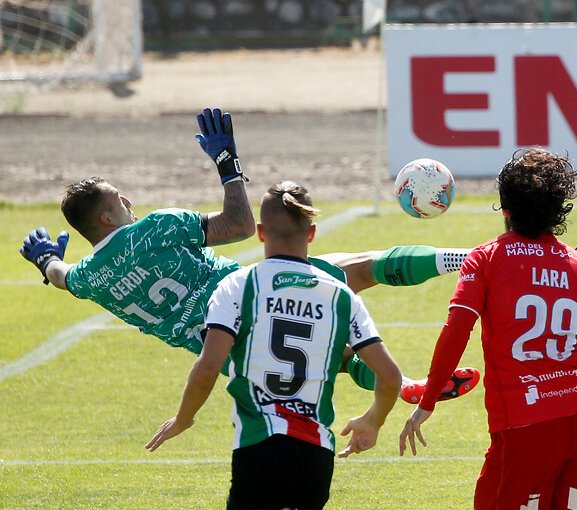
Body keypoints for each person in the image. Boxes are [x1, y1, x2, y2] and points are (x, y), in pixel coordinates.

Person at [19, 107, 477, 403]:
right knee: (350, 268)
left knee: (332, 358)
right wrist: (227, 163)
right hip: (244, 297)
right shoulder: (152, 230)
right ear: (104, 218)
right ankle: (470, 259)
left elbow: (63, 277)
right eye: (119, 199)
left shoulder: (89, 277)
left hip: (223, 351)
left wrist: (45, 261)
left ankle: (412, 388)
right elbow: (238, 225)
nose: (129, 202)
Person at [145, 181, 402, 510]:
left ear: (261, 232)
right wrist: (373, 421)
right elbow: (390, 376)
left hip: (258, 446)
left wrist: (183, 418)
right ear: (311, 234)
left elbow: (208, 366)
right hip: (315, 456)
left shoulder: (237, 285)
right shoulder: (340, 295)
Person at [399, 148, 577, 510]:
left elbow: (456, 331)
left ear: (504, 207)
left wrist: (429, 399)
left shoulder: (485, 259)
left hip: (525, 426)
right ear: (560, 208)